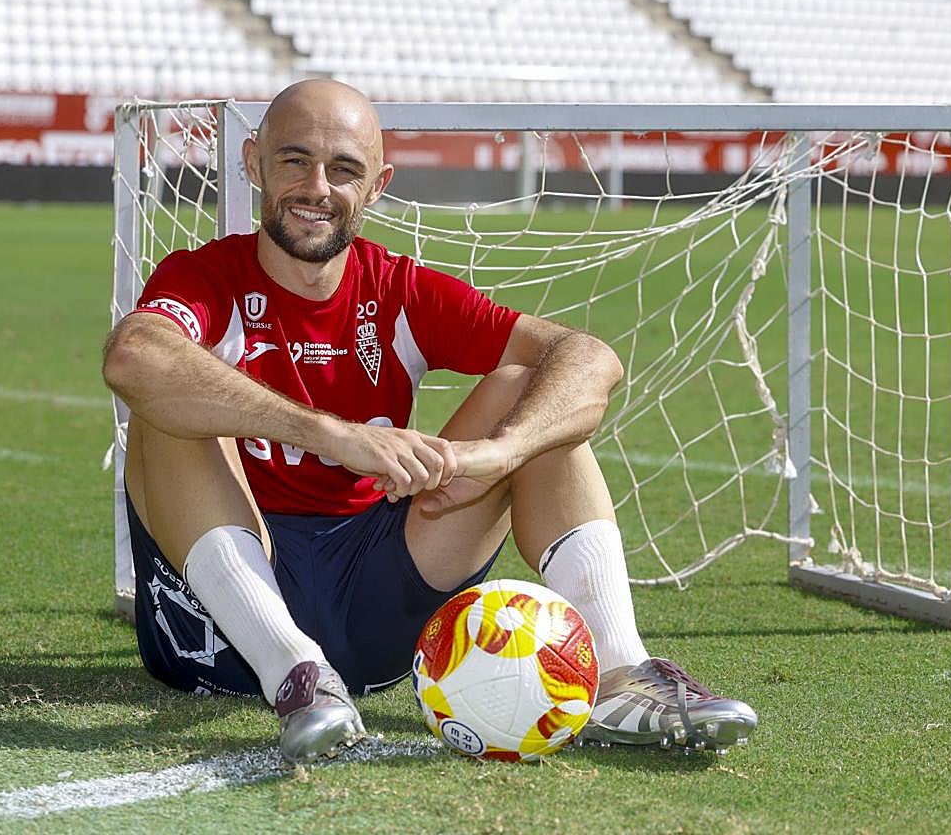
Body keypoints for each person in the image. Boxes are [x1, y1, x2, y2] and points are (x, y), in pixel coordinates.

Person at [102, 79, 757, 763]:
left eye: (344, 170)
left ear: (378, 185)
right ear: (252, 162)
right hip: (227, 628)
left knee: (536, 395)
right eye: (294, 160)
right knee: (166, 402)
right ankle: (297, 673)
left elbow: (588, 357)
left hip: (381, 608)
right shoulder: (206, 277)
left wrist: (501, 453)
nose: (317, 187)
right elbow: (133, 357)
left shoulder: (399, 290)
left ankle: (623, 675)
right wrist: (332, 433)